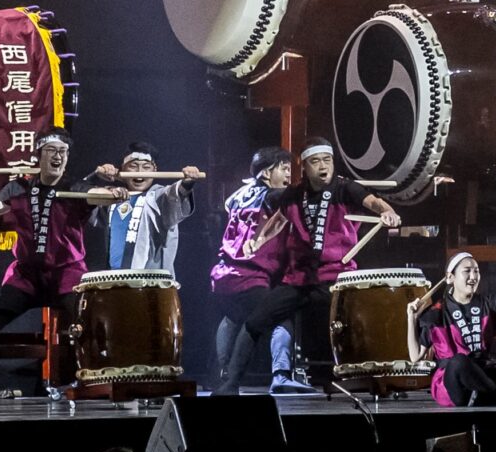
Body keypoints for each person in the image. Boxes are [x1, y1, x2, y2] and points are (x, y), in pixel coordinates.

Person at [0, 130, 128, 395]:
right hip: (26, 278)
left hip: (67, 277)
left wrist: (112, 193)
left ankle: (111, 383)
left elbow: (96, 195)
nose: (58, 157)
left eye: (63, 152)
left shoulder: (74, 187)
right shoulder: (18, 188)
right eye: (51, 151)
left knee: (96, 321)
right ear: (38, 156)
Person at [253, 143, 402, 393]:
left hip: (339, 276)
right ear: (305, 166)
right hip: (299, 277)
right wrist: (257, 240)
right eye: (316, 161)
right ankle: (273, 375)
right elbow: (277, 221)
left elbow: (374, 203)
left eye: (327, 160)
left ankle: (358, 371)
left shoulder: (345, 188)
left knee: (351, 314)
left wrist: (389, 212)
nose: (323, 166)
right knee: (268, 316)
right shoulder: (294, 194)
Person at [409, 250, 496, 407]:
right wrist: (411, 318)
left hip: (480, 372)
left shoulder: (487, 303)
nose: (473, 276)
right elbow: (415, 356)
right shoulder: (437, 312)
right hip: (451, 383)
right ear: (450, 277)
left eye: (476, 271)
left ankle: (494, 397)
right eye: (467, 271)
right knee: (459, 362)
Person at [208, 147, 292, 394]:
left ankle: (222, 376)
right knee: (281, 316)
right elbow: (285, 200)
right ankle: (281, 375)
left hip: (223, 276)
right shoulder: (272, 196)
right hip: (248, 276)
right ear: (267, 173)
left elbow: (227, 203)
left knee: (233, 319)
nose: (289, 175)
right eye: (285, 169)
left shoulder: (237, 196)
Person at [96, 142, 204, 274]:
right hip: (113, 280)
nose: (140, 172)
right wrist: (97, 175)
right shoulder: (111, 196)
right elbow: (82, 200)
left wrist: (187, 183)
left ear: (155, 170)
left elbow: (174, 195)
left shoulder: (157, 197)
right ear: (122, 169)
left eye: (146, 167)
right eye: (133, 166)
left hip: (151, 283)